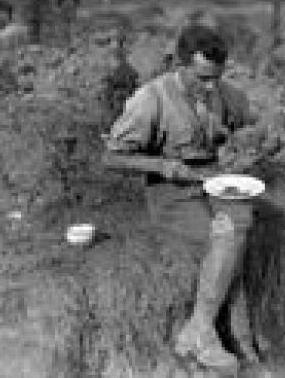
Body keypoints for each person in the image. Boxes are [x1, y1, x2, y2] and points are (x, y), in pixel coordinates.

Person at [102, 24, 258, 373]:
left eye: (216, 77)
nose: (210, 87)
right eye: (202, 78)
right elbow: (111, 156)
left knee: (241, 225)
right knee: (228, 238)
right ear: (179, 64)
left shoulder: (224, 93)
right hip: (170, 193)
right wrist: (165, 166)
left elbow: (253, 125)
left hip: (213, 183)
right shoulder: (150, 100)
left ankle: (202, 333)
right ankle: (233, 344)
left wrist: (243, 143)